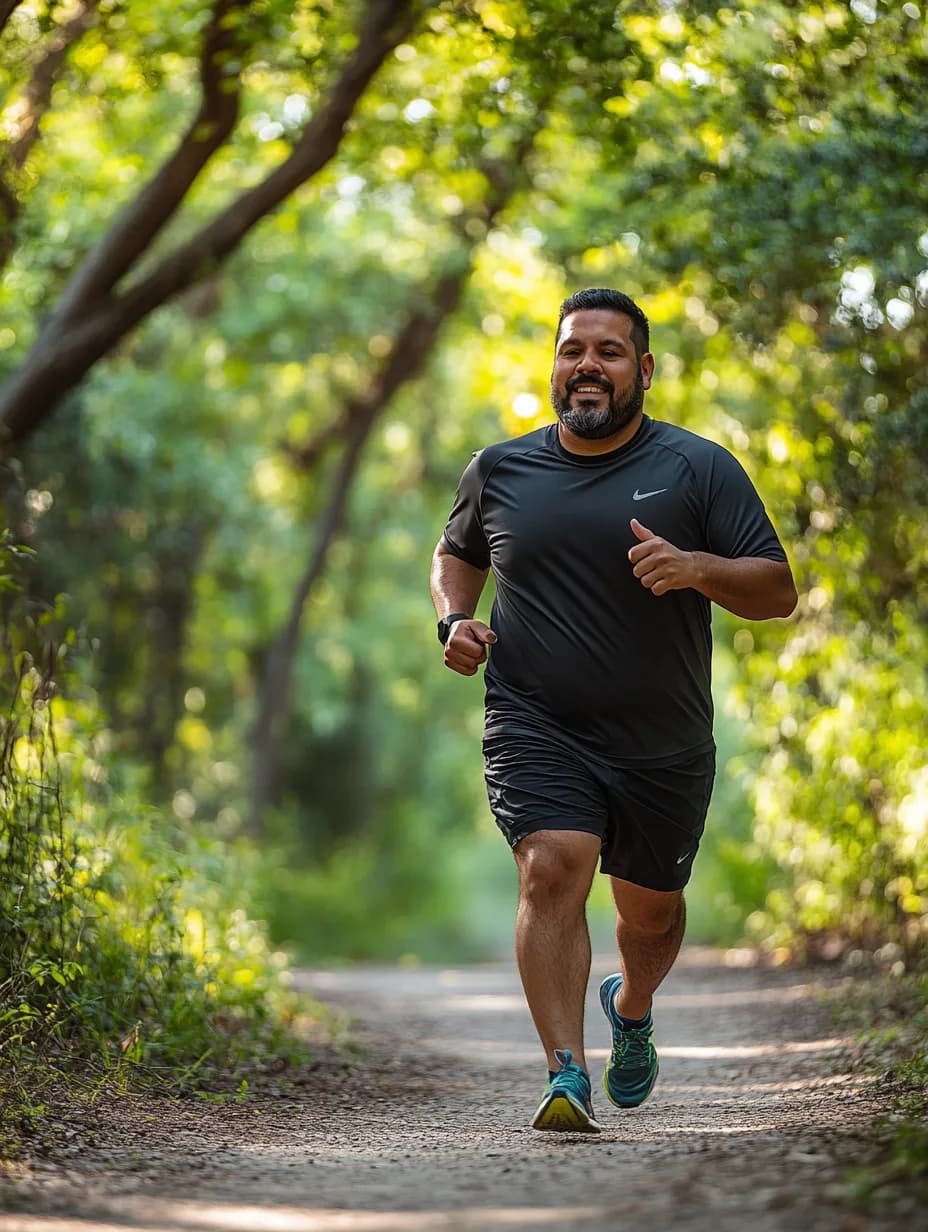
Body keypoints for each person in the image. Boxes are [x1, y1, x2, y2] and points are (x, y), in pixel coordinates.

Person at [430, 287, 797, 1133]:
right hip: (535, 720)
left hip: (662, 741)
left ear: (645, 370)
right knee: (551, 865)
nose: (587, 365)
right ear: (554, 366)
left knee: (652, 916)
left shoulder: (698, 468)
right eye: (572, 350)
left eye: (608, 351)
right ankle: (566, 1074)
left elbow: (777, 591)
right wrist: (453, 621)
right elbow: (455, 556)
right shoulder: (502, 469)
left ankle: (630, 1006)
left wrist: (699, 568)